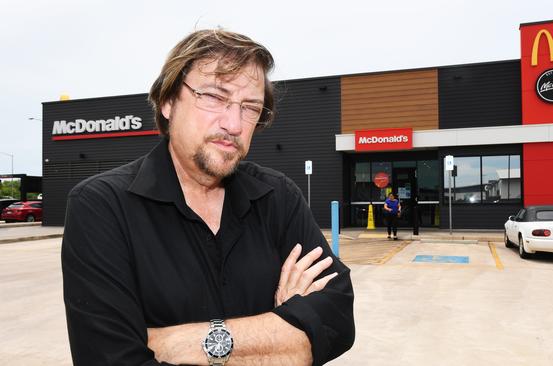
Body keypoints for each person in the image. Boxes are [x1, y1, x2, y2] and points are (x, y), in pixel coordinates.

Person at [61, 29, 354, 366]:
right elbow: (111, 359)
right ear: (168, 102)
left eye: (250, 107)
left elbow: (338, 319)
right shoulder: (101, 207)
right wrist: (282, 329)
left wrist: (190, 342)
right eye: (214, 97)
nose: (233, 123)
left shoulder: (279, 198)